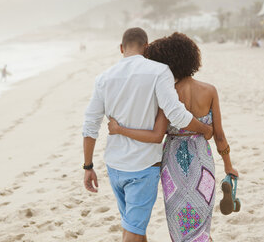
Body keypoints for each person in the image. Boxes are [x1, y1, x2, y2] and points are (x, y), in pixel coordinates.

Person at [82, 28, 213, 242]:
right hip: (142, 168)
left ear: (121, 48)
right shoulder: (160, 72)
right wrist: (204, 128)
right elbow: (176, 113)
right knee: (133, 232)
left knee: (134, 228)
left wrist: (87, 166)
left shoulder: (103, 78)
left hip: (114, 166)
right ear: (146, 47)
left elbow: (90, 124)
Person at [108, 32, 239, 242]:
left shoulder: (166, 93)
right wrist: (229, 166)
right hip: (202, 161)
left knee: (180, 224)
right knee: (201, 225)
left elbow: (156, 134)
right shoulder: (209, 90)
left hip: (173, 165)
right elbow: (220, 136)